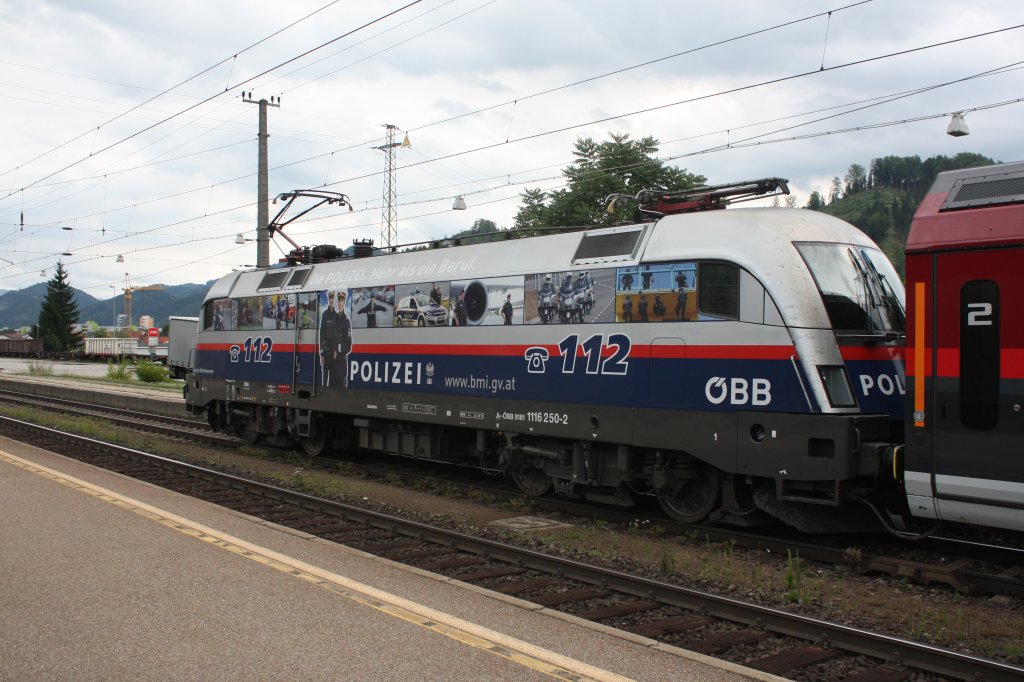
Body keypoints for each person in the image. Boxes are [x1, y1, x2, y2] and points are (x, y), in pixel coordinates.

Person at [334, 290, 352, 387]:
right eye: (339, 301)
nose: (340, 303)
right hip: (332, 361)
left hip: (341, 362)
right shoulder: (334, 319)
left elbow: (348, 345)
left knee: (340, 388)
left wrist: (338, 351)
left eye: (342, 301)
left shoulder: (346, 321)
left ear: (344, 303)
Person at [320, 292, 338, 386]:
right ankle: (323, 392)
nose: (331, 300)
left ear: (334, 301)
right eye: (330, 298)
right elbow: (322, 334)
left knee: (332, 375)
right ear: (328, 300)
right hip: (326, 350)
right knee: (325, 374)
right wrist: (322, 354)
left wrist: (336, 351)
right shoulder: (324, 314)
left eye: (332, 299)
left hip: (333, 351)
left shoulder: (336, 315)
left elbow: (338, 336)